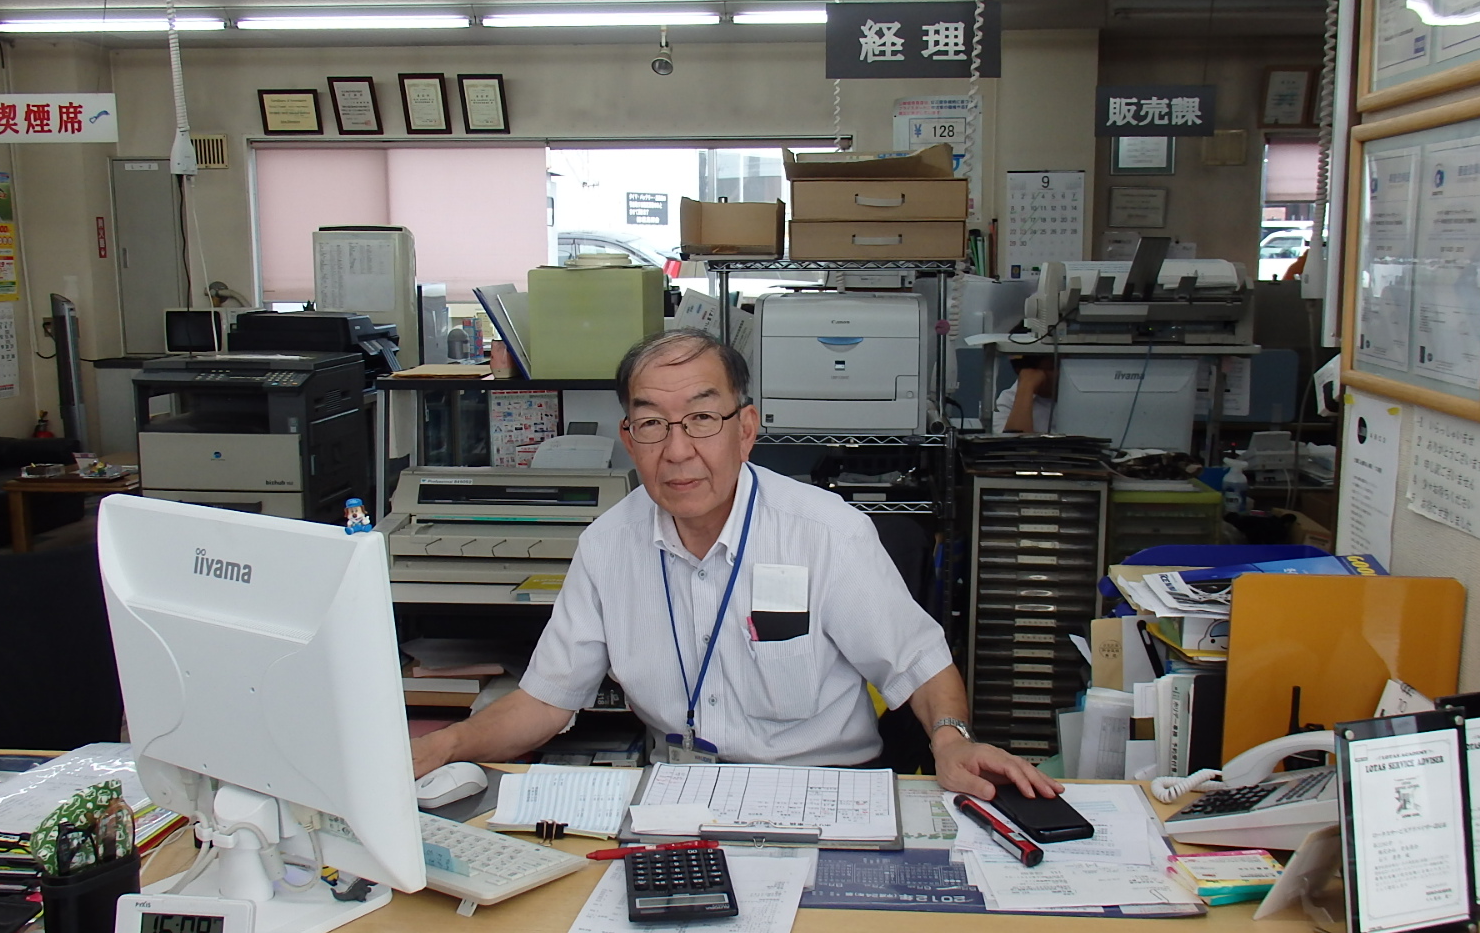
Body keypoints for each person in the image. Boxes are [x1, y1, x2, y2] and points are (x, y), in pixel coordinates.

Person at [411, 328, 1059, 801]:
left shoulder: (825, 533)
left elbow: (921, 665)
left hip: (824, 791)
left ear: (745, 429)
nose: (678, 450)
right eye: (653, 425)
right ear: (627, 439)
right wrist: (439, 747)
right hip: (676, 793)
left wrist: (951, 739)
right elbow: (545, 703)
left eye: (700, 419)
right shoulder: (608, 546)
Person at [995, 355, 1057, 433]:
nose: (1061, 373)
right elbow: (1016, 443)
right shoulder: (1008, 402)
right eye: (1053, 367)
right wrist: (1027, 385)